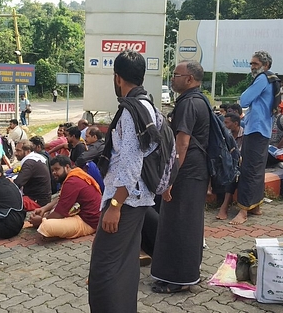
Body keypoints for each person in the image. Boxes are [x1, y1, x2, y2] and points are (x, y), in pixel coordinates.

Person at [89, 50, 160, 312]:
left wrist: (116, 206)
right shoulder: (148, 105)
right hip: (137, 197)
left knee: (104, 268)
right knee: (125, 264)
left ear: (117, 78)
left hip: (126, 200)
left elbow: (131, 162)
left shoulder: (131, 111)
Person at [151, 60, 210, 293]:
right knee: (184, 224)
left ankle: (180, 279)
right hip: (194, 173)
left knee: (181, 225)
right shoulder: (198, 100)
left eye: (176, 75)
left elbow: (182, 144)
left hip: (186, 174)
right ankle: (182, 275)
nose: (172, 78)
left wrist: (170, 180)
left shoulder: (189, 104)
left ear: (189, 79)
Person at [230, 51, 275, 225]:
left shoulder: (263, 78)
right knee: (257, 168)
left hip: (255, 129)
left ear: (266, 65)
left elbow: (244, 100)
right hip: (262, 129)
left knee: (248, 169)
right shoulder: (272, 79)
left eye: (255, 64)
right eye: (251, 63)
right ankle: (255, 206)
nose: (252, 67)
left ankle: (243, 211)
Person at [29, 155, 101, 239]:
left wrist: (41, 220)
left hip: (89, 223)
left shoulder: (72, 182)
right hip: (85, 216)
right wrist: (44, 209)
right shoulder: (74, 175)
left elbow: (59, 213)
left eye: (57, 169)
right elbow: (60, 198)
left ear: (67, 167)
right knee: (51, 213)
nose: (54, 173)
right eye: (52, 170)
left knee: (46, 226)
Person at [216, 112, 243, 220]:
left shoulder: (245, 135)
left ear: (235, 123)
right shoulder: (227, 136)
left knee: (233, 175)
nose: (225, 125)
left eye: (227, 123)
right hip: (230, 163)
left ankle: (224, 207)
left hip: (241, 164)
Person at [13, 140, 52, 208]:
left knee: (5, 201)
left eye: (18, 151)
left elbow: (17, 184)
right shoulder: (36, 159)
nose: (15, 153)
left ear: (28, 151)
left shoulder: (29, 163)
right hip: (42, 198)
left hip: (37, 201)